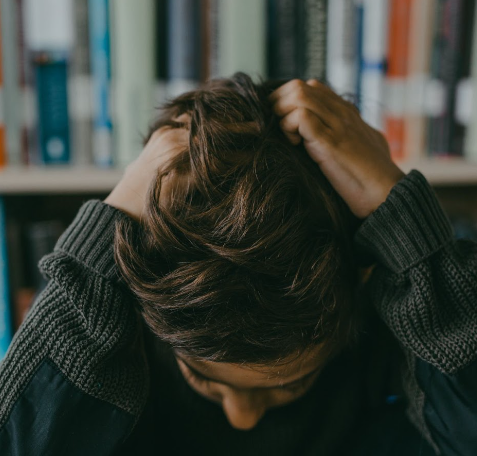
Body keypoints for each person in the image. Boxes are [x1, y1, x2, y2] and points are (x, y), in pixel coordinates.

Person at [0, 73, 475, 455]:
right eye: (203, 377)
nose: (242, 418)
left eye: (292, 384)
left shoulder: (394, 350)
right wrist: (109, 231)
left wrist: (411, 230)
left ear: (364, 279)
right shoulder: (118, 348)